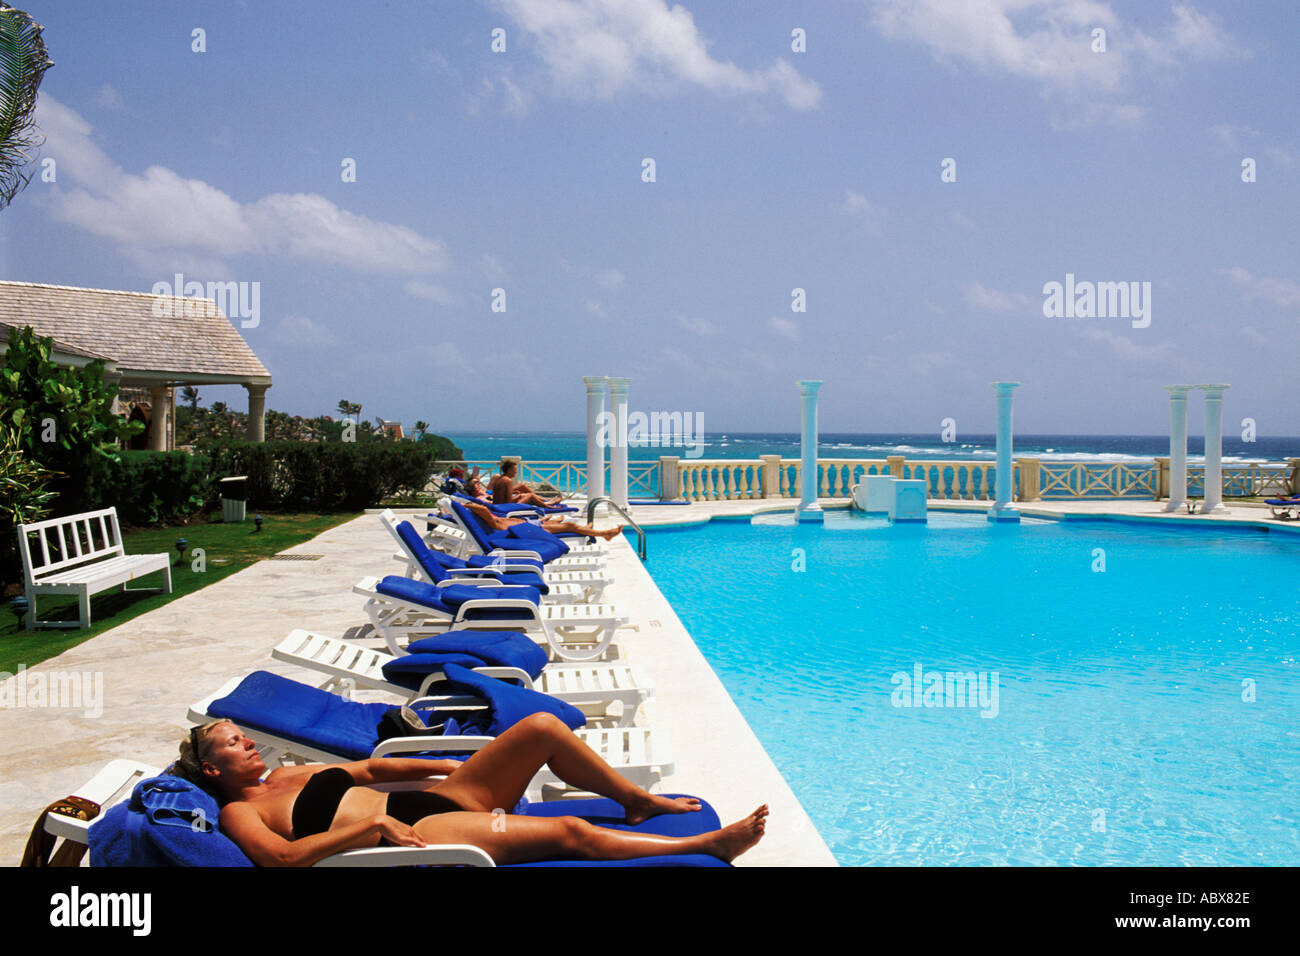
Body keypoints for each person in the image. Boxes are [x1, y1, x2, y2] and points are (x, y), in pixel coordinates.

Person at [171, 713, 767, 867]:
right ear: (212, 771)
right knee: (571, 830)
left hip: (443, 796)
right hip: (419, 833)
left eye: (243, 734)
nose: (247, 741)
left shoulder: (288, 773)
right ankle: (706, 847)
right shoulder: (236, 815)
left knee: (541, 730)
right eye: (230, 743)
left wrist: (455, 762)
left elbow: (374, 771)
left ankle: (639, 801)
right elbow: (281, 860)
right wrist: (369, 828)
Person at [462, 499, 624, 542]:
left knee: (563, 524)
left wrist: (464, 504)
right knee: (568, 525)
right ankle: (604, 534)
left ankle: (586, 529)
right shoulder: (490, 521)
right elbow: (483, 509)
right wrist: (464, 504)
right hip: (525, 531)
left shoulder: (482, 518)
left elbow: (483, 509)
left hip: (526, 526)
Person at [490, 460, 562, 509]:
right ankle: (549, 506)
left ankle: (547, 502)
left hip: (497, 505)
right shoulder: (508, 481)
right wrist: (519, 496)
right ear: (509, 470)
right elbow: (509, 502)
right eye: (514, 470)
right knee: (530, 496)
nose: (516, 472)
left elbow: (503, 495)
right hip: (504, 507)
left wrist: (518, 495)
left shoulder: (500, 478)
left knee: (525, 494)